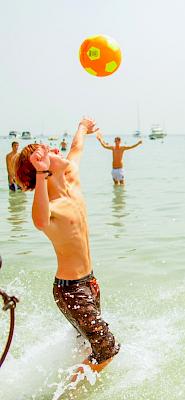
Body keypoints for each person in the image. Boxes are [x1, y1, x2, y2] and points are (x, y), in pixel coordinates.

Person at [13, 117, 120, 379]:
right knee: (106, 349)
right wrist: (39, 172)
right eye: (47, 152)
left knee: (87, 343)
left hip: (89, 282)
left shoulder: (71, 180)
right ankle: (67, 395)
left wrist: (83, 127)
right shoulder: (50, 206)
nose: (55, 150)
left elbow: (76, 148)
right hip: (71, 291)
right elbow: (39, 221)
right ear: (41, 169)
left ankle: (76, 383)